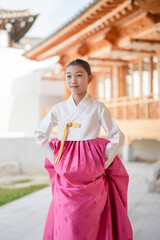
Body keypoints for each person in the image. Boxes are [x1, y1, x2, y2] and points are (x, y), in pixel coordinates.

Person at [34, 59, 133, 240]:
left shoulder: (98, 107)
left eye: (79, 75)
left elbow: (117, 136)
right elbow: (40, 135)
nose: (73, 80)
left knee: (93, 217)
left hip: (91, 168)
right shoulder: (60, 108)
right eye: (69, 76)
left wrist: (103, 162)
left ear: (90, 78)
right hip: (65, 170)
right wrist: (56, 160)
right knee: (67, 218)